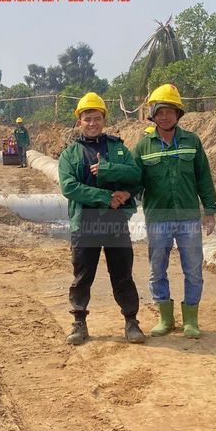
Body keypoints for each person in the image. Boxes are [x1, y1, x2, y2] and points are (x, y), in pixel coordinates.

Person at [58, 92, 145, 346]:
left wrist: (124, 190)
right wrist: (106, 197)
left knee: (122, 274)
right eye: (87, 118)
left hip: (115, 223)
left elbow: (136, 176)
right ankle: (79, 322)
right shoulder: (70, 154)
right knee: (82, 276)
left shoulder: (118, 149)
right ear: (79, 122)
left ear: (104, 120)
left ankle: (131, 321)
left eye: (97, 118)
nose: (92, 123)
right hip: (84, 223)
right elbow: (69, 187)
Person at [132, 84, 216, 339]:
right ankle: (165, 318)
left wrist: (209, 210)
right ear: (153, 115)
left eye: (169, 111)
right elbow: (133, 180)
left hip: (189, 218)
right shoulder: (143, 146)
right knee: (157, 270)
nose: (164, 117)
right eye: (160, 112)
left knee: (193, 270)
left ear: (178, 113)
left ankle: (191, 320)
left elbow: (204, 177)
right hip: (157, 218)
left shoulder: (192, 141)